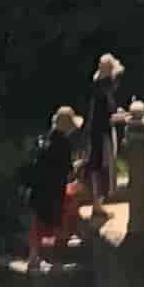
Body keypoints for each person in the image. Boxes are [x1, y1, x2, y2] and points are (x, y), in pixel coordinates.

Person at [25, 104, 85, 261]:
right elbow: (67, 171)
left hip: (37, 191)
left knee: (36, 225)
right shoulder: (63, 145)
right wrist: (79, 165)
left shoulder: (45, 139)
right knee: (64, 217)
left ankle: (33, 257)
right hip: (53, 192)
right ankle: (58, 257)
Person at [83, 52, 126, 205]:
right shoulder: (103, 90)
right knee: (100, 168)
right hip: (101, 134)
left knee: (98, 167)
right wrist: (119, 116)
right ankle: (97, 205)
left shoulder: (99, 88)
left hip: (97, 132)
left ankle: (98, 204)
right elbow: (105, 115)